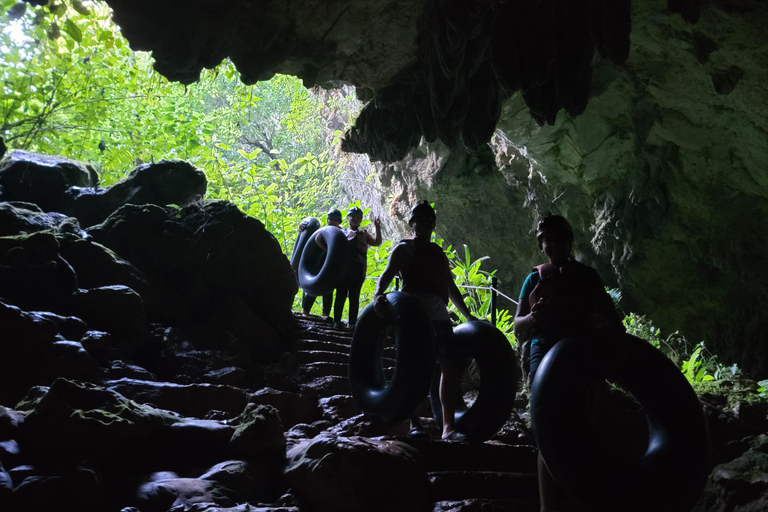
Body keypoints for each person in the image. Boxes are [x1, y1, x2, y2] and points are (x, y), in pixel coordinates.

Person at [513, 214, 623, 512]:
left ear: (568, 242)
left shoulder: (587, 277)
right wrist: (534, 317)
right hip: (544, 352)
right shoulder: (534, 278)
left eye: (558, 239)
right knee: (547, 430)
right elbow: (517, 325)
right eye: (548, 240)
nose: (553, 245)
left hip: (580, 354)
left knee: (585, 425)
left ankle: (586, 498)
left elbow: (613, 321)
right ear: (542, 245)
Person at [373, 200, 477, 441]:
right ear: (412, 223)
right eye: (418, 220)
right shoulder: (404, 249)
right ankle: (414, 423)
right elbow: (387, 275)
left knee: (449, 367)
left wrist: (469, 316)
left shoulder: (438, 253)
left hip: (438, 312)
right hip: (413, 312)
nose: (423, 224)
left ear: (433, 224)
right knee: (412, 368)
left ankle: (448, 428)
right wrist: (378, 295)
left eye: (427, 221)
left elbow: (450, 287)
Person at [333, 206, 381, 330]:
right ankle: (337, 321)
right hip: (344, 269)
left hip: (358, 269)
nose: (355, 219)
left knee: (354, 297)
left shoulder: (364, 234)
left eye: (357, 217)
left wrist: (377, 227)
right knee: (341, 295)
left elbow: (376, 242)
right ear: (348, 218)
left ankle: (352, 323)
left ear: (360, 220)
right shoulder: (341, 232)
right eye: (352, 216)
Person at [299, 208, 342, 319]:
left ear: (339, 221)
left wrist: (321, 245)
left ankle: (326, 314)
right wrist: (301, 230)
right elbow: (306, 244)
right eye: (331, 219)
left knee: (328, 290)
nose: (332, 222)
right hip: (319, 265)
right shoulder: (322, 232)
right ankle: (305, 311)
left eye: (336, 220)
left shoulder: (342, 234)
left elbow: (336, 252)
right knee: (313, 288)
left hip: (331, 267)